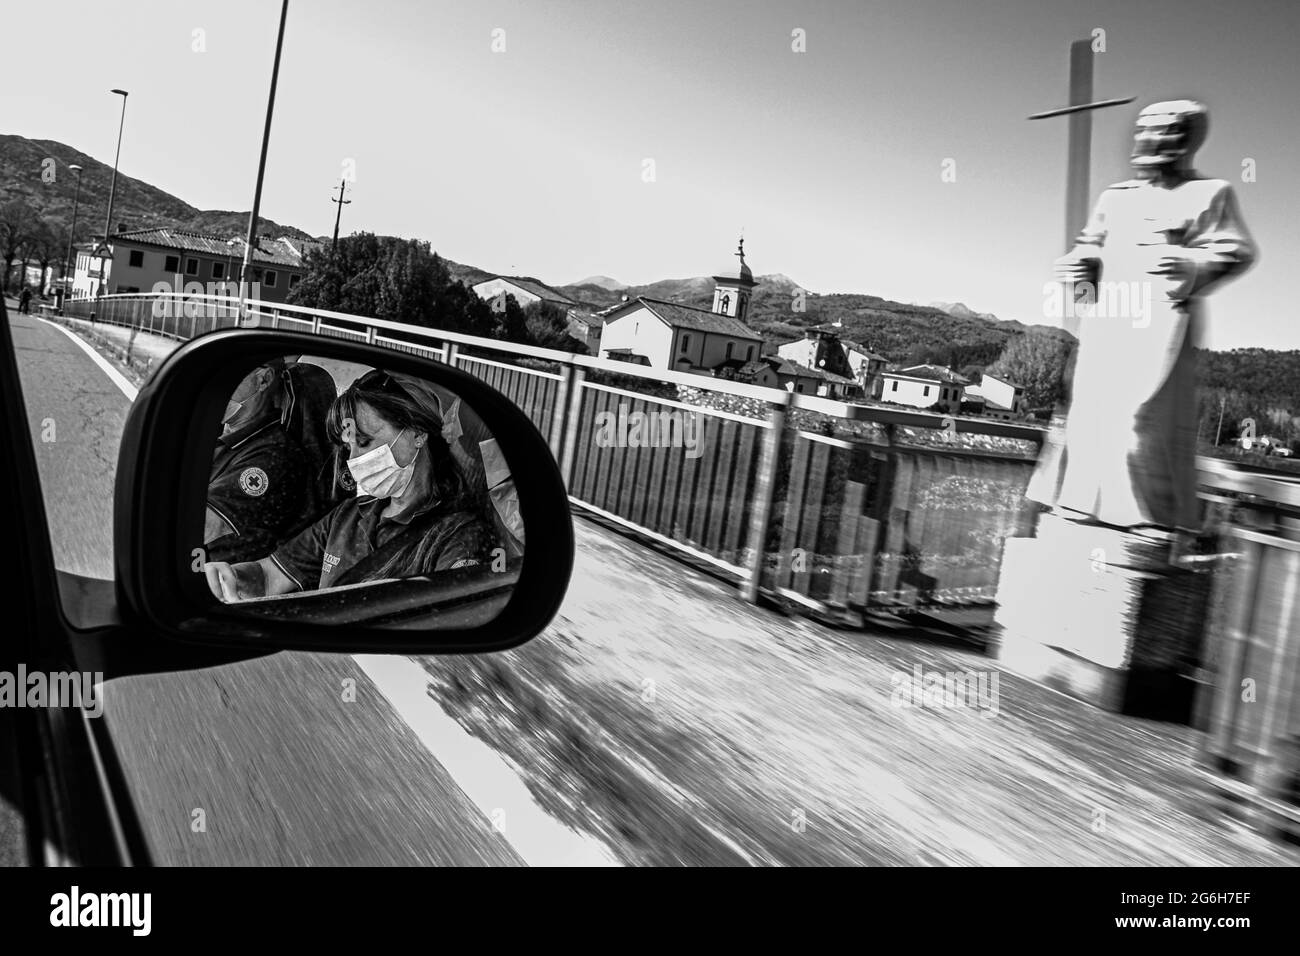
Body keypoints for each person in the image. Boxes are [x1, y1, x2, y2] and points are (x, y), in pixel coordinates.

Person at [1026, 99, 1256, 532]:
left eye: (1162, 129)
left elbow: (1234, 251)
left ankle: (1138, 515)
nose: (1147, 138)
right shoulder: (1116, 197)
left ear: (1185, 140)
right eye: (1143, 129)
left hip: (1160, 326)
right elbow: (1089, 251)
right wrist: (1079, 265)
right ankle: (1079, 504)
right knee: (1090, 414)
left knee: (1138, 420)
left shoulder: (1209, 194)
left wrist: (1190, 266)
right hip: (1110, 320)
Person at [204, 368, 499, 602]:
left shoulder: (459, 535)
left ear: (417, 434)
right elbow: (269, 576)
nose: (353, 459)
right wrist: (231, 578)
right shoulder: (347, 516)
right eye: (347, 448)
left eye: (364, 441)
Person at [206, 358, 314, 563]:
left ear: (263, 380)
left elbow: (205, 526)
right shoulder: (215, 429)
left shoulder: (274, 455)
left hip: (223, 577)